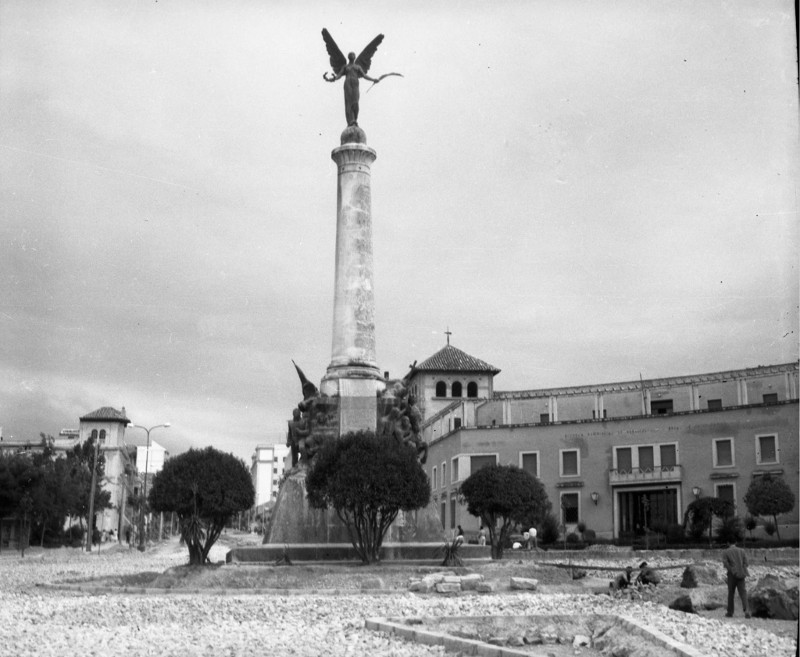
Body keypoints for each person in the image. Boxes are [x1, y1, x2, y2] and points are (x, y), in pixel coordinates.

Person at [722, 539, 751, 618]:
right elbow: (746, 562)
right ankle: (747, 610)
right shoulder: (742, 551)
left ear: (728, 543)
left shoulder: (726, 552)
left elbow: (725, 563)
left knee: (731, 593)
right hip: (741, 574)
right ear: (736, 542)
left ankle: (730, 612)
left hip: (732, 575)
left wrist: (732, 570)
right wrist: (742, 569)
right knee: (743, 593)